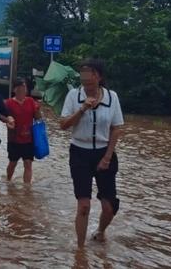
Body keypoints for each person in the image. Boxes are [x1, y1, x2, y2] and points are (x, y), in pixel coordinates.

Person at [60, 58, 124, 247]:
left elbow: (117, 128)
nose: (87, 79)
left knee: (109, 207)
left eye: (91, 74)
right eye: (84, 74)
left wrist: (107, 157)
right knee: (84, 205)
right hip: (80, 153)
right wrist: (82, 109)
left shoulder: (112, 97)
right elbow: (63, 125)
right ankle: (80, 250)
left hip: (105, 153)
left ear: (99, 77)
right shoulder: (73, 96)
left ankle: (100, 231)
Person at [4, 78, 41, 183]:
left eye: (24, 87)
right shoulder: (9, 103)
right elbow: (2, 116)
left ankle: (27, 189)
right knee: (13, 163)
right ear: (15, 89)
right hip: (14, 139)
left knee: (28, 163)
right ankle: (8, 181)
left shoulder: (31, 101)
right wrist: (8, 120)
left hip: (29, 139)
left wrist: (38, 110)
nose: (22, 90)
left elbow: (38, 118)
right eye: (20, 88)